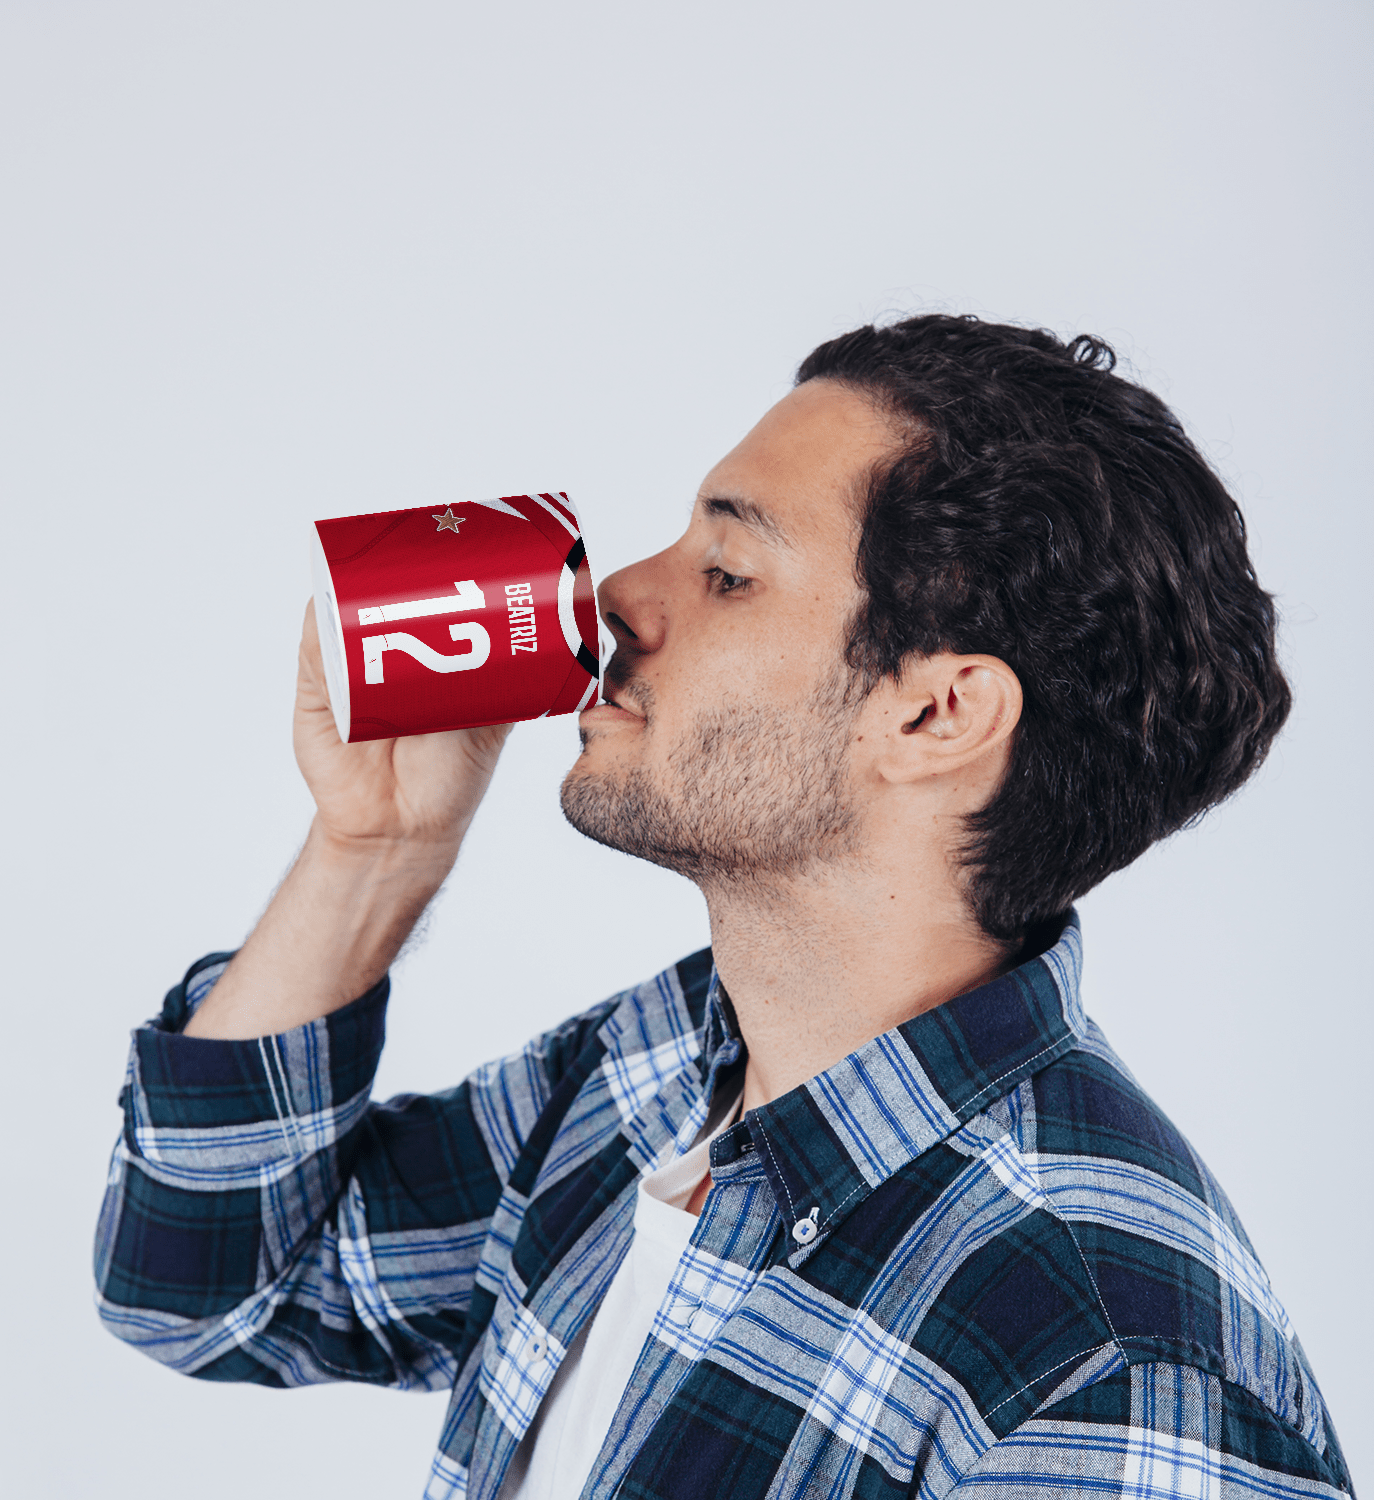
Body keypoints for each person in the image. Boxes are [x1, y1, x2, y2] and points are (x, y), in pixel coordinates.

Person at [94, 315, 1353, 1499]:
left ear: (936, 713)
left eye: (729, 570)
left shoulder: (1115, 1363)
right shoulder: (650, 1076)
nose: (618, 599)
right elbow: (210, 1287)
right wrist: (375, 851)